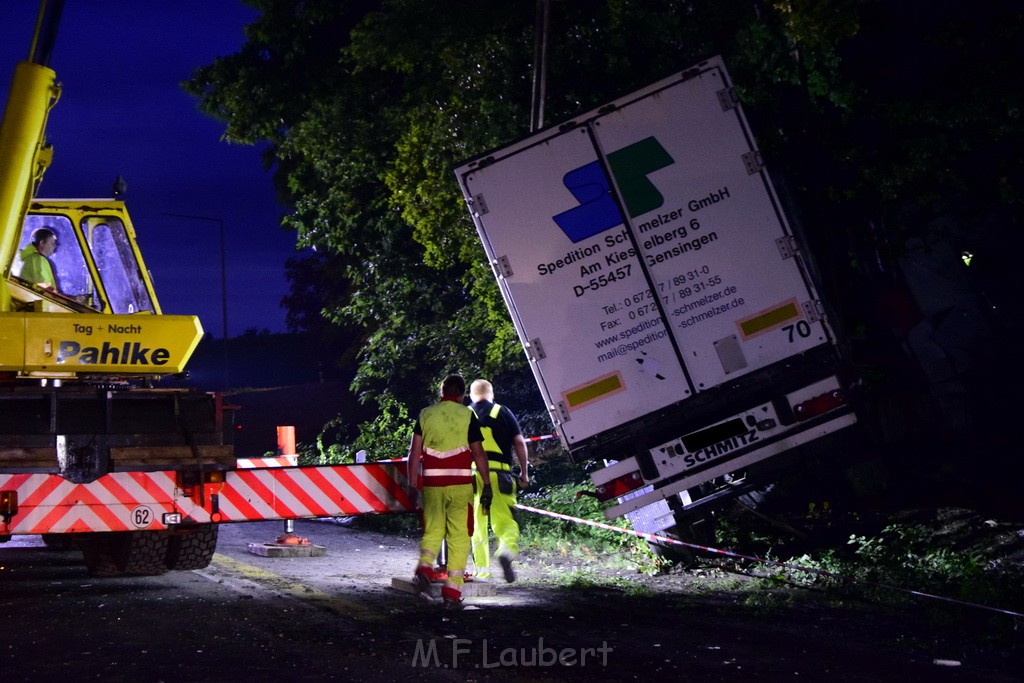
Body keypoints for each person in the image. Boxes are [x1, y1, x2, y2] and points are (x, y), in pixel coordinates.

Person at [407, 374, 492, 610]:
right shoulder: (467, 415)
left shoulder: (426, 414)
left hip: (432, 485)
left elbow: (414, 454)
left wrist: (412, 483)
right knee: (459, 536)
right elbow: (478, 453)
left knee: (433, 529)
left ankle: (424, 568)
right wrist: (486, 484)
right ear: (462, 395)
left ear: (441, 392)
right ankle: (452, 593)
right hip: (460, 485)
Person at [469, 378, 530, 583]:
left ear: (471, 395)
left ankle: (482, 573)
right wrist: (524, 472)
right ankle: (506, 551)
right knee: (506, 521)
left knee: (477, 526)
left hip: (475, 476)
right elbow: (519, 442)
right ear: (491, 394)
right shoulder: (503, 412)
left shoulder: (465, 415)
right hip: (501, 475)